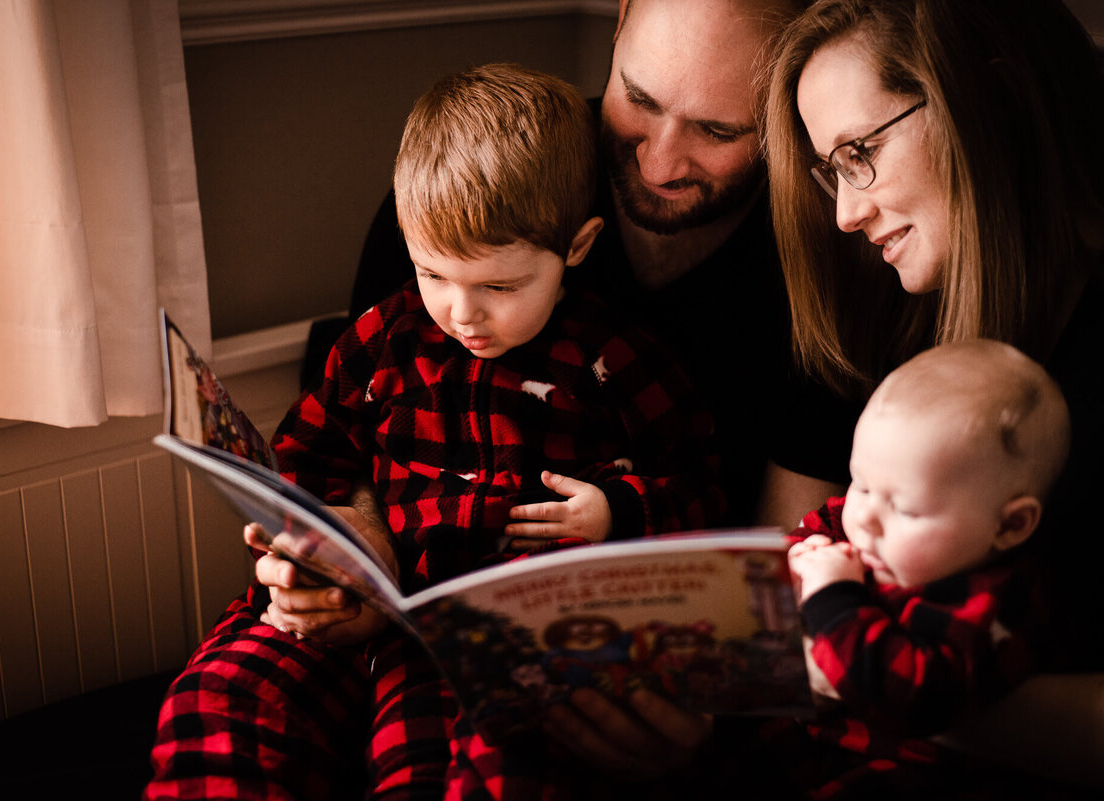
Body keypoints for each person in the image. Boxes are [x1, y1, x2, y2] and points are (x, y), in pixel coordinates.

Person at [260, 0, 806, 789]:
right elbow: (347, 434)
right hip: (406, 602)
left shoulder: (815, 268)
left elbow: (779, 564)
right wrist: (354, 544)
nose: (658, 162)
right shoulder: (465, 182)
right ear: (617, 21)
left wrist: (711, 720)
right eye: (640, 101)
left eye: (720, 132)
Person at [146, 62, 725, 801]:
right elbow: (306, 453)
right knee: (218, 704)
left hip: (487, 641)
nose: (461, 313)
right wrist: (303, 546)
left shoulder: (615, 359)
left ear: (576, 249)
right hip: (359, 598)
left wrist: (621, 509)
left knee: (447, 765)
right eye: (433, 273)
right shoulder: (384, 337)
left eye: (501, 285)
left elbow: (700, 483)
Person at [762, 0, 1104, 792]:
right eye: (831, 169)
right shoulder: (876, 330)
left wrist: (862, 673)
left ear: (993, 105)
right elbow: (771, 621)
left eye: (860, 151)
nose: (844, 212)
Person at [778, 339, 1070, 797]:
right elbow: (823, 521)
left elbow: (905, 694)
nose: (866, 516)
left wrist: (831, 597)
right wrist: (797, 555)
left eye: (907, 509)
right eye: (861, 482)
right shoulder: (869, 527)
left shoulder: (992, 606)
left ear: (1010, 524)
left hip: (899, 767)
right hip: (811, 736)